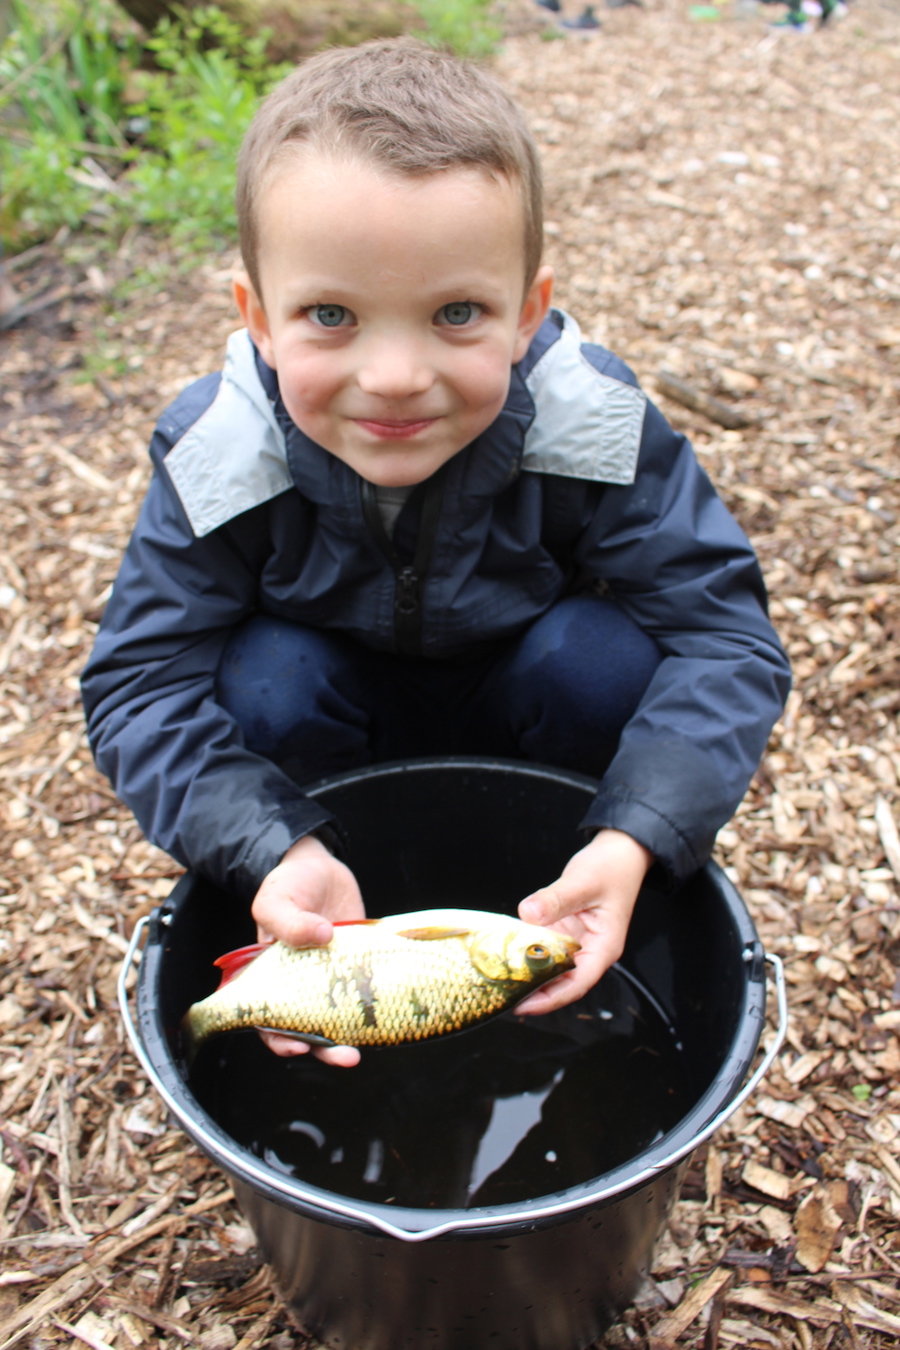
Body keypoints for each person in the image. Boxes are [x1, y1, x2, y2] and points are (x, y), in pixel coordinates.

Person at [82, 39, 790, 1067]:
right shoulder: (222, 454)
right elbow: (139, 684)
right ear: (258, 320)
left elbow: (726, 640)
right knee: (266, 677)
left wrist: (638, 832)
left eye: (456, 313)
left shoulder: (591, 426)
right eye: (332, 315)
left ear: (527, 313)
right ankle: (327, 885)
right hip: (331, 741)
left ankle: (572, 875)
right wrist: (267, 843)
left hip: (527, 719)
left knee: (596, 655)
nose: (398, 375)